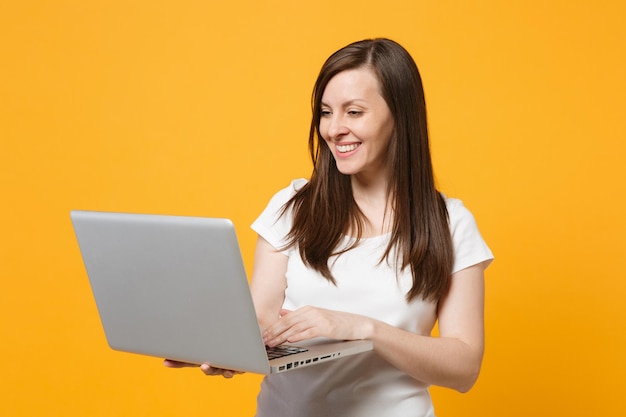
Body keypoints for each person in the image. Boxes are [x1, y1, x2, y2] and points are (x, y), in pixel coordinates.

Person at [165, 38, 493, 417]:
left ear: (399, 115)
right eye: (325, 112)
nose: (334, 129)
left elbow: (464, 367)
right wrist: (227, 348)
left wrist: (364, 328)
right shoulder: (292, 208)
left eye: (354, 112)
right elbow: (262, 317)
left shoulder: (450, 225)